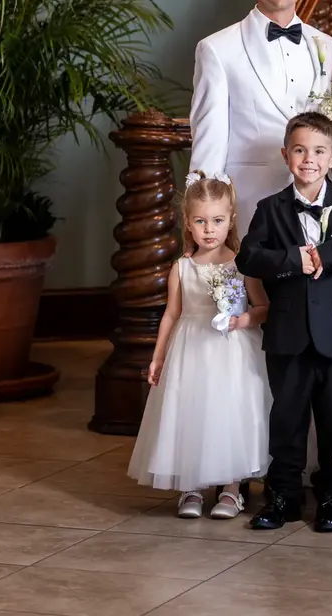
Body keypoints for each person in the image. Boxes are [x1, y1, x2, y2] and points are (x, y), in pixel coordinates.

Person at [236, 112, 332, 533]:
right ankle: (283, 497)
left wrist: (331, 255)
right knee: (286, 419)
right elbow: (247, 258)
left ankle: (330, 499)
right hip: (286, 332)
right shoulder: (269, 209)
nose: (309, 159)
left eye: (319, 151)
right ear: (286, 154)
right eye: (301, 150)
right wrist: (293, 259)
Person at [128, 172, 271, 519]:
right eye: (201, 221)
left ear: (231, 221)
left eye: (218, 220)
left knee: (229, 415)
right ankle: (190, 486)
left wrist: (243, 320)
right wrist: (158, 357)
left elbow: (263, 308)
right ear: (188, 224)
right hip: (191, 351)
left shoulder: (242, 264)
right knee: (189, 413)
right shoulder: (181, 267)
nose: (209, 229)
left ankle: (232, 488)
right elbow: (170, 315)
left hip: (231, 352)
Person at [189, 0, 332, 235]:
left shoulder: (329, 46)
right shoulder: (217, 49)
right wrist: (206, 214)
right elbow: (209, 139)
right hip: (250, 200)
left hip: (318, 201)